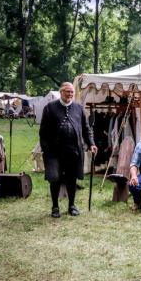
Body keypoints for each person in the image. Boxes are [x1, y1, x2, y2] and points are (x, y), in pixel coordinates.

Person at [39, 82, 98, 218]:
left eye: (72, 92)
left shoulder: (78, 108)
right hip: (54, 152)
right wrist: (46, 150)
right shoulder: (50, 108)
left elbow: (86, 129)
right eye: (67, 91)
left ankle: (72, 205)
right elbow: (43, 132)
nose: (70, 94)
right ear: (61, 92)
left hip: (73, 151)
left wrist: (91, 144)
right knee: (55, 178)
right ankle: (55, 207)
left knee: (72, 179)